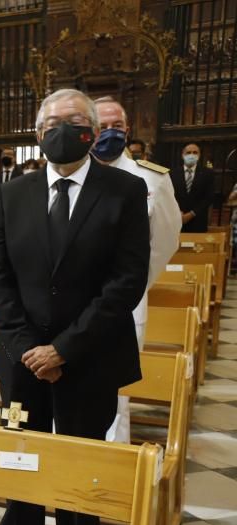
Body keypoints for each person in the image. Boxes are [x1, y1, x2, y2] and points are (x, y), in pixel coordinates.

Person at [0, 88, 149, 525]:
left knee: (79, 462)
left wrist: (64, 350)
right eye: (51, 121)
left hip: (90, 358)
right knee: (21, 455)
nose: (60, 129)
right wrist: (31, 347)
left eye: (73, 120)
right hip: (21, 360)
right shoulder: (13, 193)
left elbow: (126, 282)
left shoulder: (123, 190)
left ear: (92, 131)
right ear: (36, 133)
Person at [92, 97, 183, 442]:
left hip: (125, 299)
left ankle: (113, 466)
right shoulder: (73, 173)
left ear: (128, 130)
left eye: (117, 126)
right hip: (74, 298)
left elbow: (164, 241)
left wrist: (134, 283)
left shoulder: (152, 179)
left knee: (116, 388)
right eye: (102, 126)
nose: (109, 133)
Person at [171, 143, 215, 233]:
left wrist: (192, 214)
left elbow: (209, 197)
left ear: (199, 155)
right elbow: (169, 194)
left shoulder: (207, 174)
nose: (191, 155)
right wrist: (178, 212)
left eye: (195, 152)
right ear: (182, 155)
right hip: (177, 218)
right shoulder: (173, 173)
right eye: (188, 152)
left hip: (198, 220)